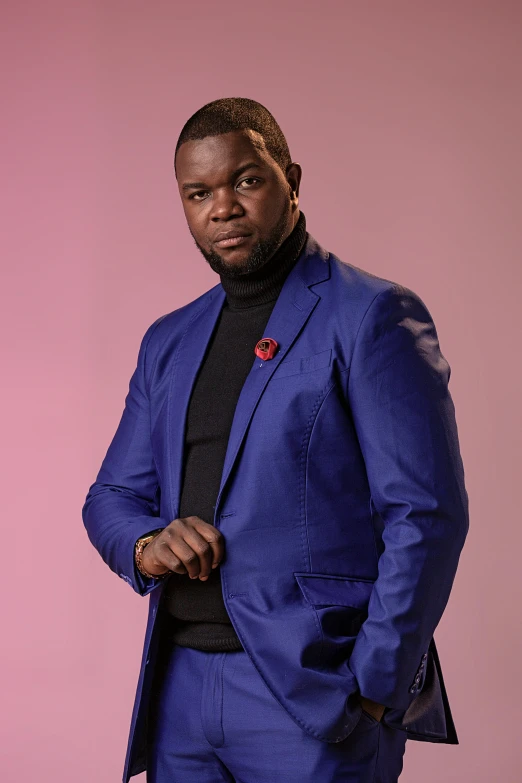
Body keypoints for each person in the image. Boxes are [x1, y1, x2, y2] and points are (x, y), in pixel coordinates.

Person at [82, 97, 469, 783]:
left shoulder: (372, 315)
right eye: (198, 193)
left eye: (246, 180)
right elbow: (111, 495)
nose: (222, 206)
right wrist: (147, 544)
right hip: (179, 691)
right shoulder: (168, 341)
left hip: (314, 697)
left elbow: (427, 513)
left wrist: (373, 687)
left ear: (290, 178)